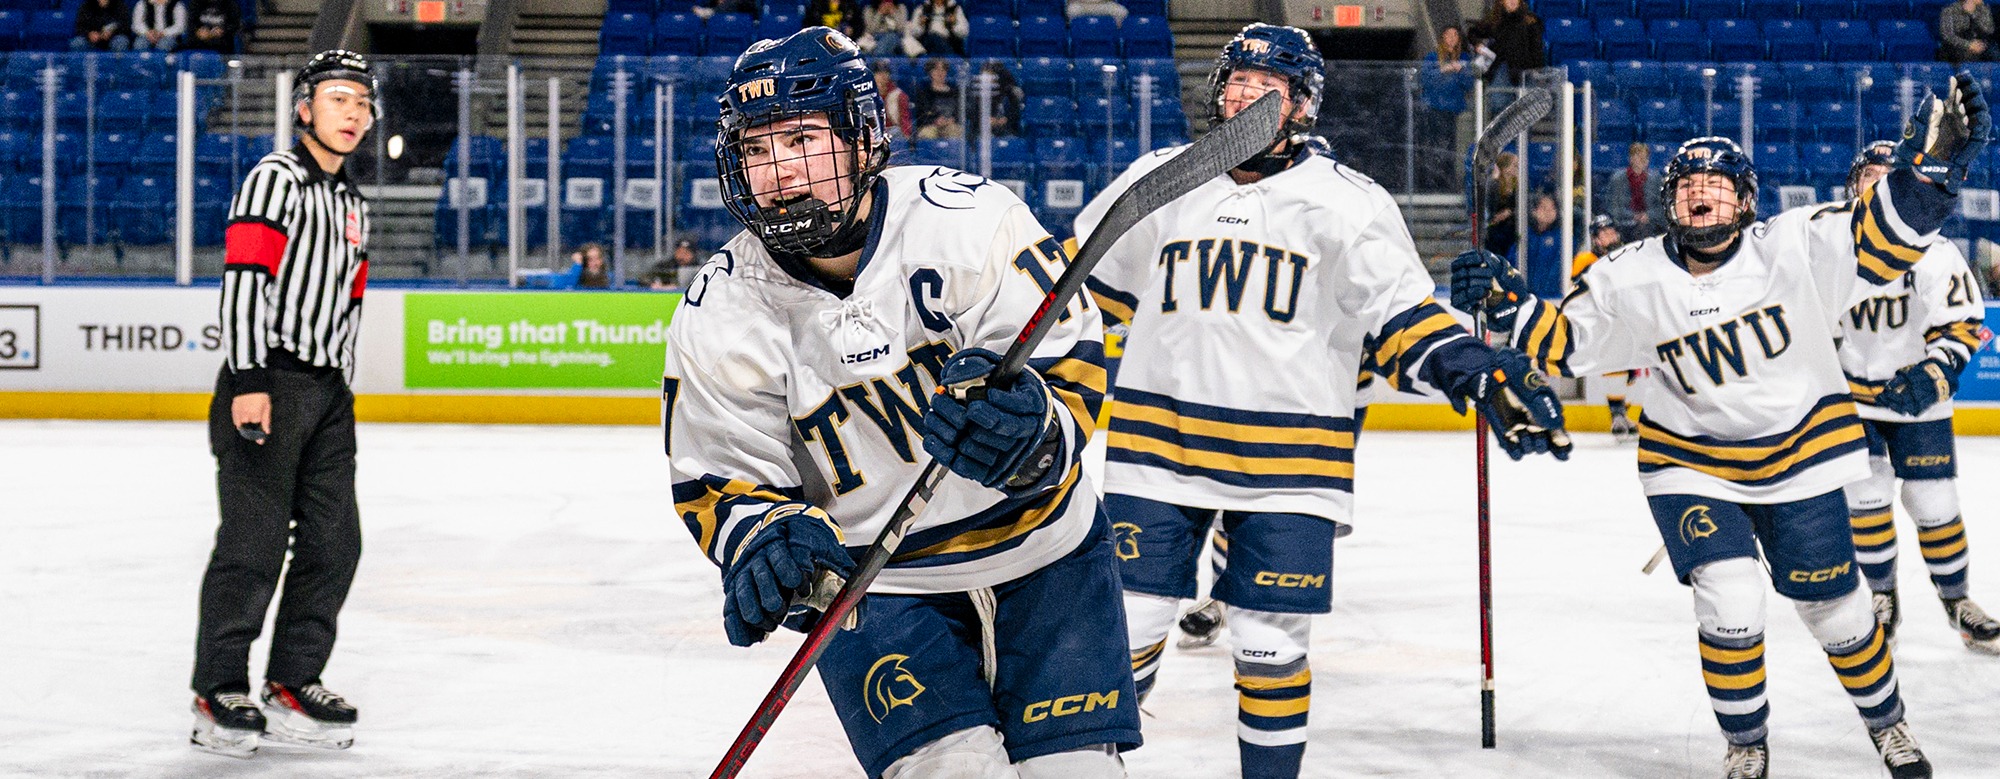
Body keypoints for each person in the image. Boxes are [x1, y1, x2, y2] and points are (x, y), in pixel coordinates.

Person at [1451, 83, 1992, 773]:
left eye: (1718, 187)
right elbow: (1567, 341)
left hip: (1801, 457)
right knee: (1730, 601)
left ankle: (1889, 724)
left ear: (1746, 201)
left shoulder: (1796, 245)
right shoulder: (1629, 275)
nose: (1702, 198)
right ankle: (1745, 742)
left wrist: (1926, 177)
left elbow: (1881, 239)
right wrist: (1507, 302)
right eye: (1688, 189)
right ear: (1669, 204)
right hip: (1692, 464)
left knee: (1839, 612)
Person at [1081, 23, 1569, 779]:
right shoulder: (1161, 176)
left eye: (1263, 85)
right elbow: (1078, 295)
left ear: (1302, 105)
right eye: (1234, 81)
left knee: (1270, 649)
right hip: (1158, 451)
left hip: (1290, 461)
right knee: (1125, 629)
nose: (1241, 95)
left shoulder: (1350, 202)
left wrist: (1474, 366)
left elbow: (1405, 317)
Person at [663, 27, 1138, 777]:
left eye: (802, 140)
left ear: (863, 137)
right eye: (756, 149)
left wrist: (1037, 428)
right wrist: (766, 535)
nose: (780, 172)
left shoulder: (967, 220)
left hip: (1049, 556)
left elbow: (1068, 352)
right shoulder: (718, 310)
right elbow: (719, 475)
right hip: (879, 589)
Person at [193, 49, 377, 758]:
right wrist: (248, 380)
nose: (352, 114)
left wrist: (341, 388)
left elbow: (350, 301)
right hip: (267, 379)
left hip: (328, 393)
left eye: (361, 103)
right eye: (338, 101)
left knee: (336, 541)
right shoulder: (275, 179)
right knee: (253, 543)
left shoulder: (351, 201)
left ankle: (294, 678)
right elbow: (245, 281)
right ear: (304, 109)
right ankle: (219, 688)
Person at [1836, 139, 2000, 654]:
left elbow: (1963, 324)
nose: (1881, 186)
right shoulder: (1824, 246)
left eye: (1892, 176)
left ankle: (1958, 601)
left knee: (1934, 502)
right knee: (1866, 498)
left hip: (1918, 400)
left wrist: (1936, 369)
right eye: (1872, 177)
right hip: (1848, 402)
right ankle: (1882, 597)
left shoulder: (1936, 249)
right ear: (1854, 188)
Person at [1570, 214, 1642, 440]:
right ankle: (1617, 412)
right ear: (1595, 239)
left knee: (1632, 369)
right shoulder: (1585, 259)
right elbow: (1582, 290)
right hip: (1600, 321)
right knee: (1616, 364)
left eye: (1612, 232)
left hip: (1625, 318)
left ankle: (1623, 414)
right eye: (1604, 234)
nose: (1610, 237)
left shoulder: (1625, 256)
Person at [1418, 25, 1477, 190]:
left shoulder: (1464, 58)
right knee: (1434, 146)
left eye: (1455, 35)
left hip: (1453, 109)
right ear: (1442, 37)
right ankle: (1431, 182)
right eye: (1448, 35)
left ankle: (1446, 182)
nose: (1452, 38)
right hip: (1434, 107)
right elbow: (1425, 80)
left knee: (1450, 147)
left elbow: (1469, 83)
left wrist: (1460, 71)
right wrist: (1444, 70)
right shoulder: (1432, 57)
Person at [1467, 0, 1544, 84]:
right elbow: (1472, 32)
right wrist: (1478, 44)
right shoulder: (1495, 20)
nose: (1512, 0)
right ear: (1501, 1)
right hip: (1502, 68)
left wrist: (1538, 71)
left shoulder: (1531, 20)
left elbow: (1537, 49)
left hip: (1526, 70)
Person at [1604, 142, 1667, 239]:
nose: (1642, 160)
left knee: (1645, 229)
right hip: (1624, 223)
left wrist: (1648, 215)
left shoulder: (1656, 179)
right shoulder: (1618, 179)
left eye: (1645, 157)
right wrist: (1633, 216)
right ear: (1631, 159)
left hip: (1650, 224)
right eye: (1637, 156)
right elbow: (1613, 207)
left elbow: (1662, 207)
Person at [1514, 190, 1565, 300]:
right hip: (1527, 297)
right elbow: (1513, 261)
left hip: (1553, 297)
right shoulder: (1526, 236)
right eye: (1544, 208)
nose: (1549, 212)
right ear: (1534, 211)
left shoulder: (1563, 238)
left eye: (1553, 208)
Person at [913, 57, 963, 140]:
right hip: (930, 125)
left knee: (955, 131)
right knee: (928, 133)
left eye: (943, 70)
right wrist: (934, 120)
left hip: (950, 124)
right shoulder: (924, 92)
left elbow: (961, 110)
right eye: (936, 69)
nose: (940, 73)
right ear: (930, 72)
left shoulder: (955, 92)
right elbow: (921, 114)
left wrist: (953, 119)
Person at [1940, 0, 1997, 64]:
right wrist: (1968, 45)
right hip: (1958, 45)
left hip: (1980, 43)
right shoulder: (1949, 10)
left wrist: (1973, 14)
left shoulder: (1984, 9)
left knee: (1994, 53)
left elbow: (1989, 30)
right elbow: (1947, 35)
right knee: (1968, 55)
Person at [976, 60, 1023, 138]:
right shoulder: (978, 94)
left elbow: (1015, 113)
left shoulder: (1009, 93)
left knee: (1010, 138)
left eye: (989, 75)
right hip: (984, 129)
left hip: (1006, 128)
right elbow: (974, 113)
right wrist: (986, 119)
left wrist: (1006, 119)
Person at [873, 62, 914, 141]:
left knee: (896, 131)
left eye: (886, 73)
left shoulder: (898, 94)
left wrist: (906, 133)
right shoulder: (867, 94)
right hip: (873, 131)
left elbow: (905, 118)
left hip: (892, 130)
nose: (883, 76)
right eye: (879, 73)